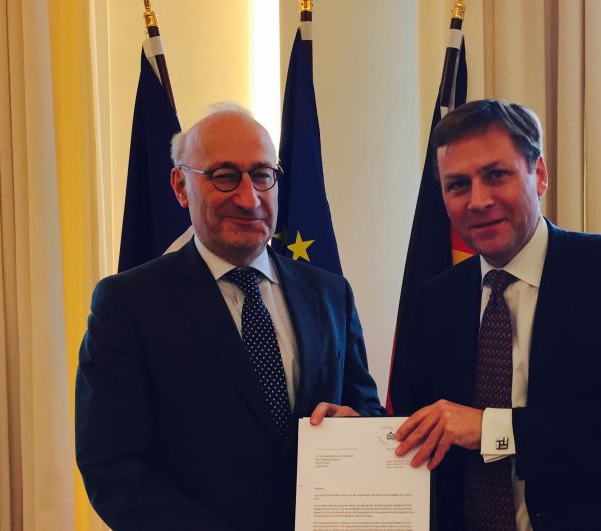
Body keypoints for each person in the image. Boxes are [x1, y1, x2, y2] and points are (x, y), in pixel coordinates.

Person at [75, 103, 384, 530]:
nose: (248, 197)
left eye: (261, 174)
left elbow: (367, 413)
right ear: (181, 186)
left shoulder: (330, 294)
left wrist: (358, 430)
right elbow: (114, 471)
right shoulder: (127, 305)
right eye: (224, 176)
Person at [389, 99, 601, 530]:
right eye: (457, 185)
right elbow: (417, 426)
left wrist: (496, 429)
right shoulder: (434, 300)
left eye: (496, 175)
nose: (478, 200)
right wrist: (351, 434)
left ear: (540, 175)